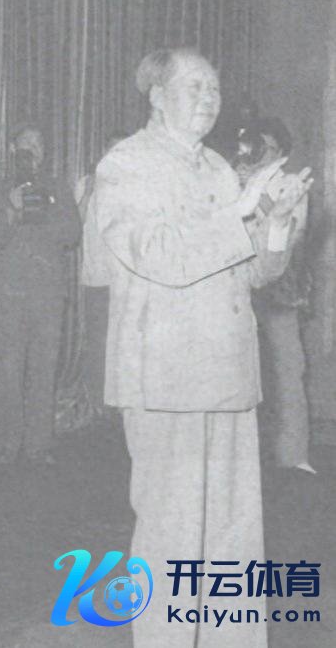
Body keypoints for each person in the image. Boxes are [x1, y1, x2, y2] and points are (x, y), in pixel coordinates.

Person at [94, 47, 312, 647]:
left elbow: (252, 273)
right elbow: (158, 254)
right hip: (166, 380)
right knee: (173, 540)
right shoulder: (126, 164)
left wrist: (275, 224)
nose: (210, 98)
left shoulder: (217, 168)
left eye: (214, 88)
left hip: (230, 375)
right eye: (194, 86)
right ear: (156, 95)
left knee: (233, 541)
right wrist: (238, 212)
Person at [0, 123, 81, 466]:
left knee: (44, 371)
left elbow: (72, 234)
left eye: (39, 144)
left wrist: (43, 211)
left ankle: (39, 446)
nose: (33, 150)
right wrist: (13, 209)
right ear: (13, 150)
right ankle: (8, 443)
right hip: (9, 297)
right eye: (26, 144)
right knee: (9, 372)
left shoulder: (58, 188)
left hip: (48, 296)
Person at [234, 117, 315, 473]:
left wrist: (259, 197)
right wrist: (240, 190)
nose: (257, 154)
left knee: (287, 370)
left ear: (281, 151)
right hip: (239, 289)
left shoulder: (291, 184)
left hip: (278, 291)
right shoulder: (232, 178)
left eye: (265, 148)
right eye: (252, 146)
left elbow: (291, 233)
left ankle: (294, 457)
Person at [75, 132, 128, 414]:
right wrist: (88, 193)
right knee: (98, 344)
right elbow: (74, 226)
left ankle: (122, 404)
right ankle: (98, 406)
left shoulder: (137, 185)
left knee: (125, 345)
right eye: (112, 150)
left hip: (128, 282)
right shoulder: (86, 183)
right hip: (96, 280)